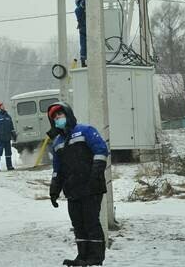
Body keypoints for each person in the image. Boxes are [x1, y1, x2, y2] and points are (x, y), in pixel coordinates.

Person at [46, 102, 108, 266]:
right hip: (72, 189)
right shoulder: (57, 142)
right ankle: (82, 256)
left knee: (91, 221)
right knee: (78, 224)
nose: (58, 118)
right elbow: (57, 169)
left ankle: (95, 257)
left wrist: (95, 174)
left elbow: (101, 150)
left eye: (60, 114)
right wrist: (54, 189)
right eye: (55, 117)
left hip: (91, 186)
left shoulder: (85, 130)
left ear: (68, 114)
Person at [0, 101, 17, 171]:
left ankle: (9, 166)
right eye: (2, 105)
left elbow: (11, 127)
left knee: (8, 153)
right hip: (0, 139)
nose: (3, 106)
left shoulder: (8, 116)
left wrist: (13, 134)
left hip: (7, 138)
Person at [75, 0, 87, 67]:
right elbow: (83, 3)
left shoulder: (79, 9)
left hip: (83, 29)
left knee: (83, 45)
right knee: (84, 45)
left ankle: (83, 61)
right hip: (84, 29)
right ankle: (83, 61)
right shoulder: (78, 9)